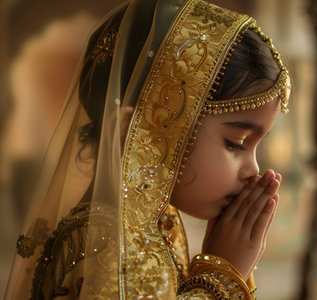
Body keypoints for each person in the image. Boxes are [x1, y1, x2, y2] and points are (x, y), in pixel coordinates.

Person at [5, 0, 291, 298]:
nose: (254, 170)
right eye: (237, 143)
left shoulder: (152, 226)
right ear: (137, 132)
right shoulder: (109, 247)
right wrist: (221, 276)